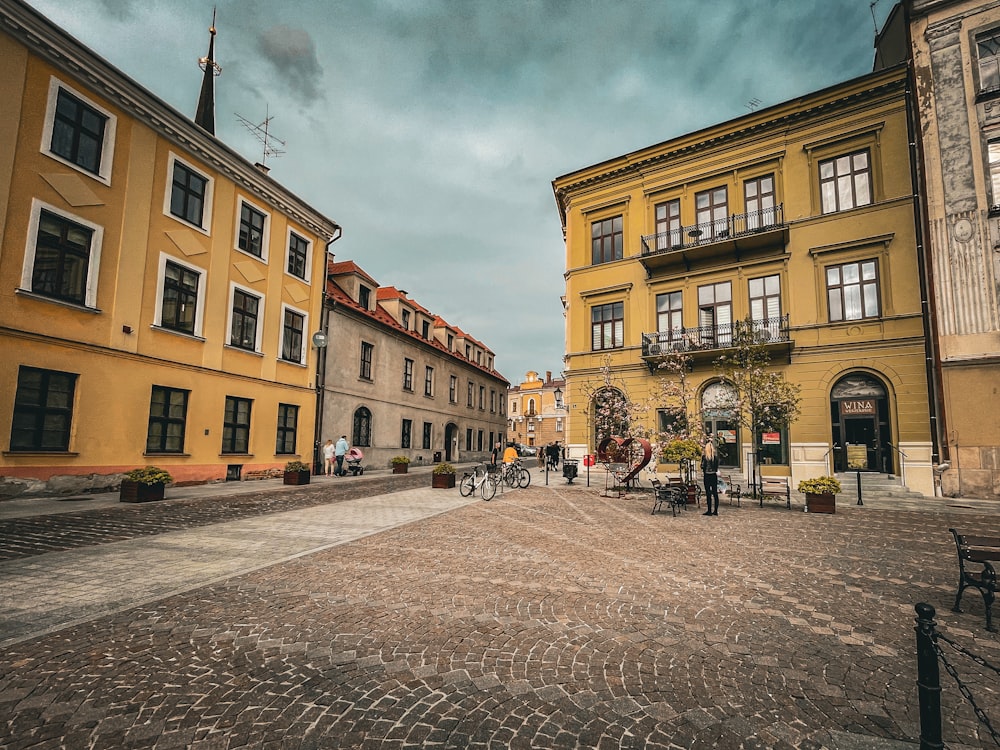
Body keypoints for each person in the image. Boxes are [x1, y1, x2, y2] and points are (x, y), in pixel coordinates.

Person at [701, 439, 720, 516]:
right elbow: (716, 468)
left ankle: (709, 510)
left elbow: (702, 466)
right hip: (713, 476)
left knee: (708, 493)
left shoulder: (704, 457)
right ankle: (715, 510)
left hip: (707, 476)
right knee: (715, 493)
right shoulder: (715, 458)